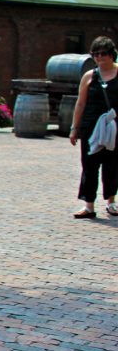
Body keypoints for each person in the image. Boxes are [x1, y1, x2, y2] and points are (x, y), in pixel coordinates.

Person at [69, 35, 118, 219]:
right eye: (95, 54)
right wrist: (74, 128)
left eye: (103, 53)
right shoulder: (89, 76)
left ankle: (111, 202)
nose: (99, 57)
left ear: (111, 54)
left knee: (112, 164)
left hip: (114, 126)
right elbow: (80, 103)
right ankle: (88, 205)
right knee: (89, 165)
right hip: (91, 126)